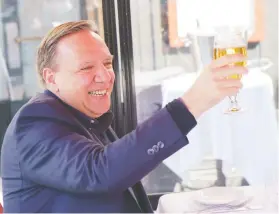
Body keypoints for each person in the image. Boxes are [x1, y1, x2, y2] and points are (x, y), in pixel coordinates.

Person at [1, 20, 247, 213]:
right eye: (87, 67)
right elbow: (101, 171)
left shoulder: (87, 116)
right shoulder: (32, 123)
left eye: (107, 64)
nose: (105, 76)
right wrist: (192, 102)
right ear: (51, 78)